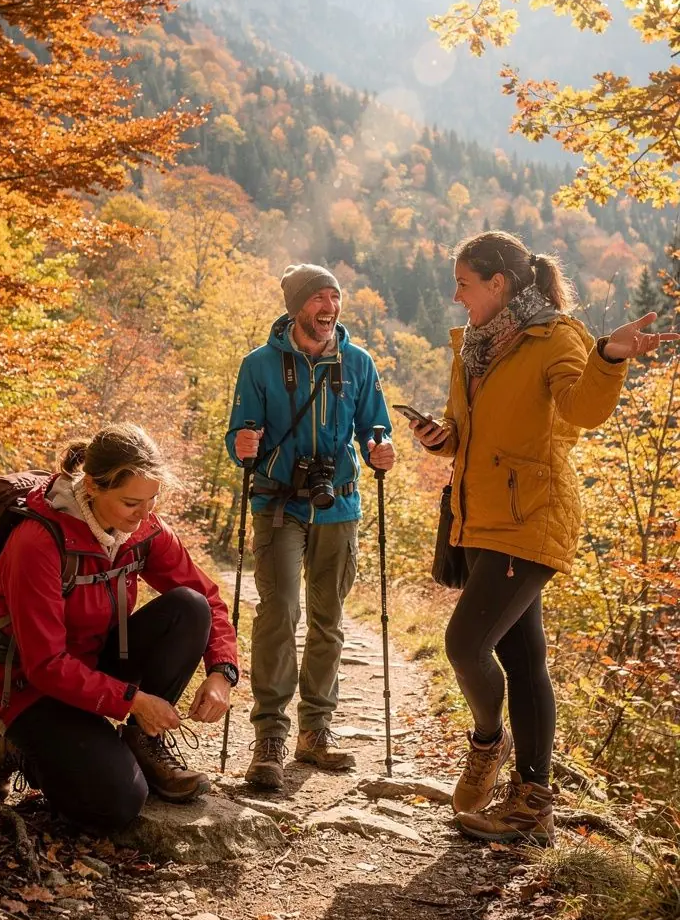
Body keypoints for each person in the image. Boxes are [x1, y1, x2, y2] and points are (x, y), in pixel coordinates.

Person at [410, 230, 660, 845]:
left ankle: (487, 745)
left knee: (466, 644)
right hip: (479, 517)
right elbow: (466, 427)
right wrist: (443, 436)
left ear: (499, 283)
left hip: (530, 518)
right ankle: (531, 804)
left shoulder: (556, 336)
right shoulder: (472, 346)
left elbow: (580, 409)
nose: (457, 295)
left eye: (465, 283)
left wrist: (610, 357)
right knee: (524, 661)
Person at [0, 423, 240, 831]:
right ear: (92, 486)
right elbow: (45, 664)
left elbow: (209, 598)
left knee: (190, 607)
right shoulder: (37, 542)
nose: (146, 515)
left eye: (152, 500)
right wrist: (133, 701)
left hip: (96, 668)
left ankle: (142, 743)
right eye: (132, 503)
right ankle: (10, 745)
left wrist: (222, 671)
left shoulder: (144, 528)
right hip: (29, 687)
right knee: (116, 804)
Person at [226, 262, 395, 790]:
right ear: (297, 306)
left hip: (338, 504)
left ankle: (315, 731)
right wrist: (241, 445)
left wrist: (379, 448)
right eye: (320, 298)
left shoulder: (359, 362)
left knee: (329, 618)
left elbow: (374, 424)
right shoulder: (258, 365)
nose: (330, 307)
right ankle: (270, 738)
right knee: (279, 612)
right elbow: (239, 434)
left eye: (335, 297)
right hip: (278, 504)